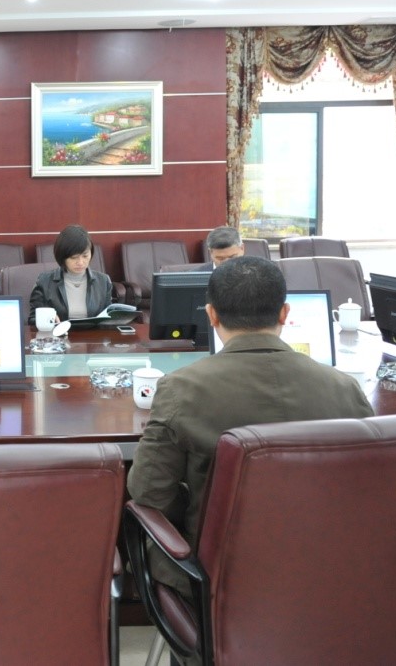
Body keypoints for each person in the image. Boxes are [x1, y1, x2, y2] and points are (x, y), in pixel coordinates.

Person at [127, 256, 373, 602]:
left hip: (216, 581)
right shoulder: (344, 388)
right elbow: (364, 490)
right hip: (327, 576)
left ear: (211, 315)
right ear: (285, 313)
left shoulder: (181, 389)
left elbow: (148, 492)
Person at [29, 224, 114, 322]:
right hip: (58, 331)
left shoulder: (103, 281)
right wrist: (47, 318)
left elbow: (109, 318)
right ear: (62, 256)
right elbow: (32, 319)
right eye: (74, 258)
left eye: (85, 256)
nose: (81, 262)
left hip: (93, 332)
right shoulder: (44, 281)